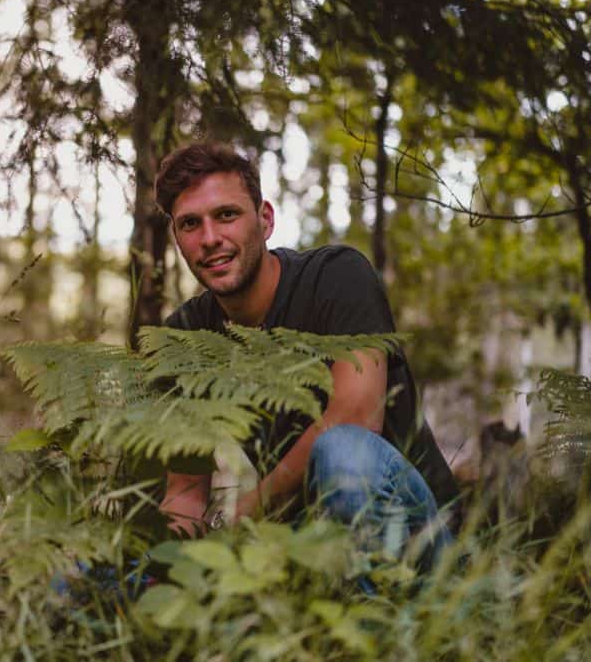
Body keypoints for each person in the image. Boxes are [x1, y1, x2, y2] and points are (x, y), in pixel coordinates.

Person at [153, 142, 459, 568]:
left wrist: (243, 520)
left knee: (341, 452)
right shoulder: (184, 337)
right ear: (178, 239)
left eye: (226, 215)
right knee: (94, 574)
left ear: (265, 220)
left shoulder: (337, 276)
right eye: (190, 224)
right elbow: (185, 495)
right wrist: (175, 565)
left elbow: (356, 418)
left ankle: (384, 624)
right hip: (302, 547)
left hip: (423, 541)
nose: (209, 238)